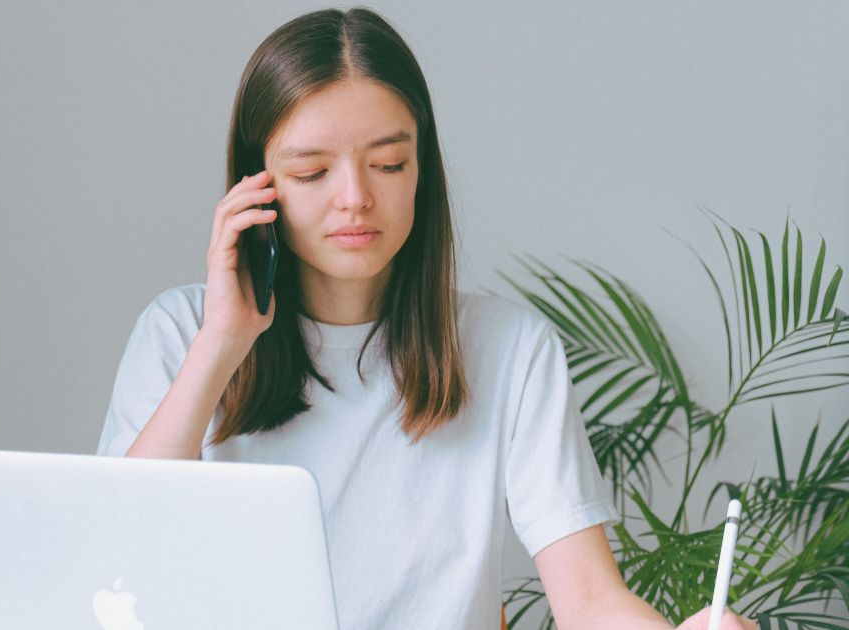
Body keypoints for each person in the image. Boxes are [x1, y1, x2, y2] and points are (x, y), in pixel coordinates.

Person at [96, 7, 755, 630]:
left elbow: (588, 599)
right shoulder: (180, 333)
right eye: (312, 172)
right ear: (254, 188)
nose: (355, 198)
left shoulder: (509, 350)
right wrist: (222, 341)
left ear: (421, 171)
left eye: (388, 164)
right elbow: (119, 557)